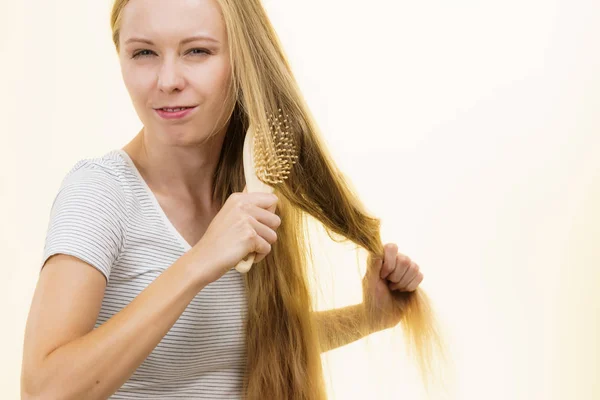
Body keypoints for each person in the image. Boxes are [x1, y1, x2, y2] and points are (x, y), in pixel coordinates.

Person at [21, 0, 426, 399]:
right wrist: (200, 261)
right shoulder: (101, 193)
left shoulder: (256, 187)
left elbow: (234, 349)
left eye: (197, 51)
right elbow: (44, 391)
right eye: (143, 52)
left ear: (243, 60)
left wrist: (369, 318)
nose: (167, 80)